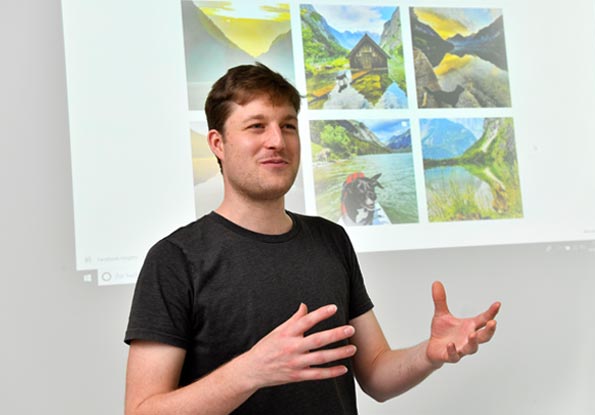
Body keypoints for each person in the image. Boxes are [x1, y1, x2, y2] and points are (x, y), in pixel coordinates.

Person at [124, 63, 500, 415]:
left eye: (288, 126)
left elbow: (376, 373)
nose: (277, 140)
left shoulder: (330, 239)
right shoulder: (175, 259)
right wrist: (249, 372)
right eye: (256, 126)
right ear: (218, 143)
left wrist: (429, 354)